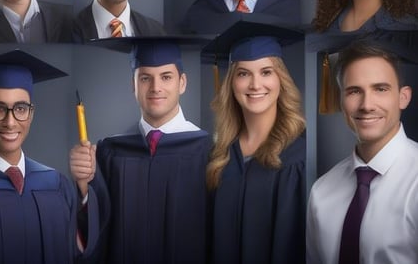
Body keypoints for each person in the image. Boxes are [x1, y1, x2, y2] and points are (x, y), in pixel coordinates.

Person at [70, 38, 210, 263]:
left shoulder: (208, 151)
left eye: (166, 77)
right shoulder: (109, 153)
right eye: (145, 78)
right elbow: (97, 233)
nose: (156, 87)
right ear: (133, 85)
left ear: (182, 83)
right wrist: (84, 187)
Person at [0, 49, 99, 263]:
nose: (10, 122)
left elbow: (78, 251)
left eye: (20, 108)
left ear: (31, 113)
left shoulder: (56, 184)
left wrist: (83, 189)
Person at [306, 40, 418, 263]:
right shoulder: (322, 191)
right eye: (354, 91)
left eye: (380, 89)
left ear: (403, 97)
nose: (367, 104)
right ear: (341, 100)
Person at [205, 20, 306, 263]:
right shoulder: (219, 157)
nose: (255, 85)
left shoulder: (299, 157)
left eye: (266, 72)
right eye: (243, 73)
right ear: (231, 83)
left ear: (281, 80)